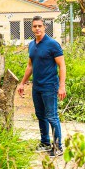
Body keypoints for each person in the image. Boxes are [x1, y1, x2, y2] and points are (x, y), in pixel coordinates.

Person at [18, 16, 66, 157]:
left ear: (44, 27)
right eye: (35, 26)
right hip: (37, 87)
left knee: (52, 116)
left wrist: (62, 86)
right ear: (32, 28)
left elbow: (62, 65)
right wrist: (22, 83)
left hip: (49, 86)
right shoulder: (32, 45)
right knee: (40, 116)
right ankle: (45, 143)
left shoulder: (53, 44)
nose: (37, 28)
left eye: (40, 26)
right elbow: (30, 66)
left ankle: (58, 147)